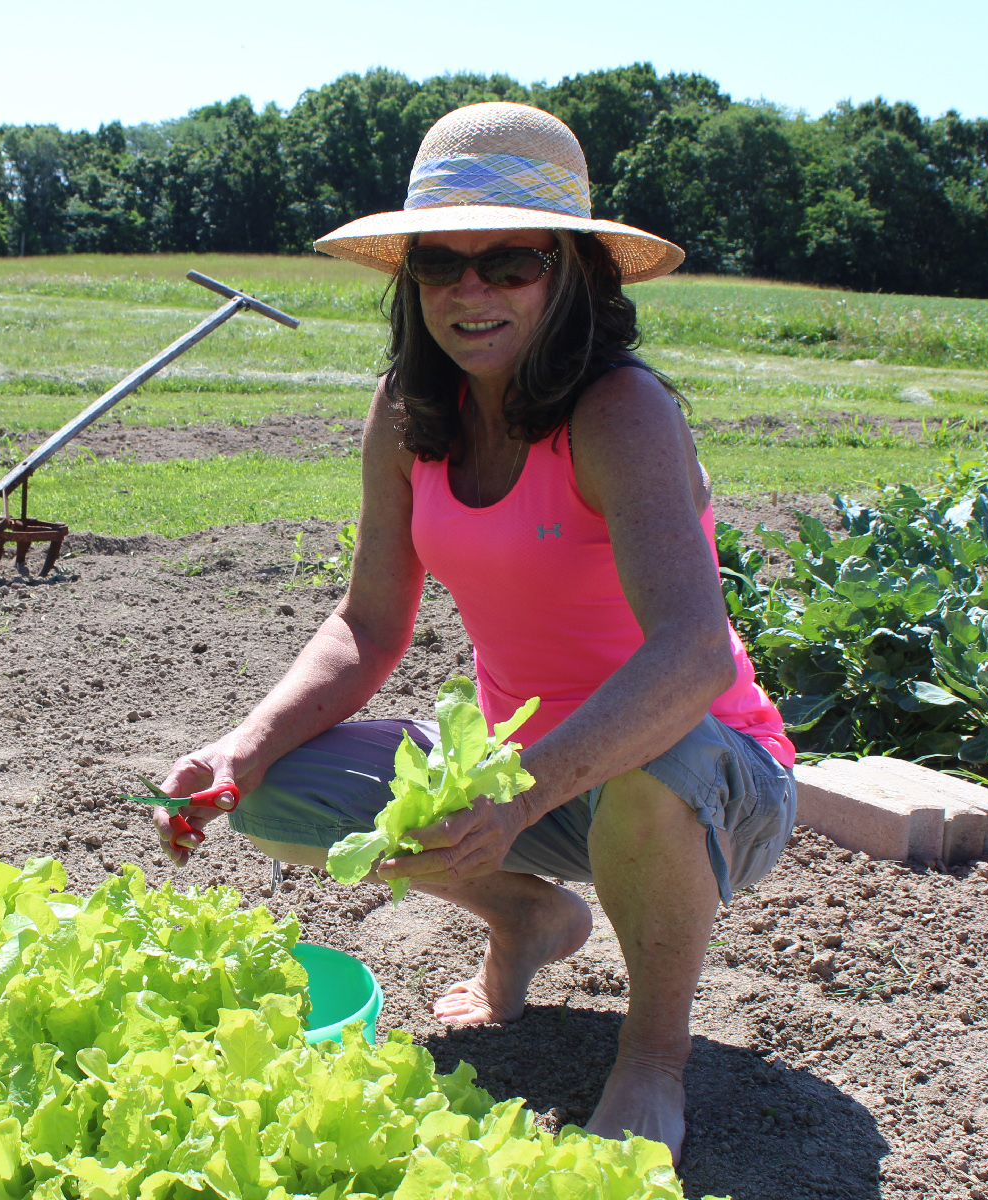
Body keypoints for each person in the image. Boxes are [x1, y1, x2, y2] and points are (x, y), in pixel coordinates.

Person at [148, 101, 797, 1161]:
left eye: (510, 261)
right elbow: (366, 625)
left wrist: (523, 787)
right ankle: (529, 921)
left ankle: (653, 1057)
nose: (471, 290)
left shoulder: (621, 410)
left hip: (715, 781)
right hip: (527, 778)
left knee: (657, 757)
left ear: (574, 273)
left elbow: (692, 656)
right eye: (441, 263)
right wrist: (239, 748)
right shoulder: (409, 407)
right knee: (279, 789)